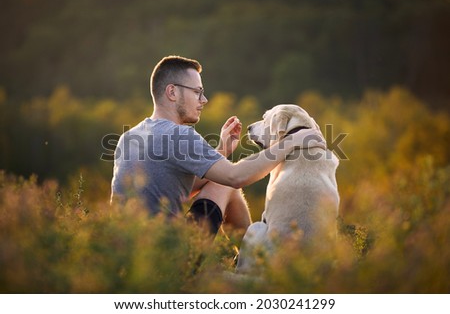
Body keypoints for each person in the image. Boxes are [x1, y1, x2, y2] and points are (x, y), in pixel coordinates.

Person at [111, 55, 325, 238]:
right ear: (172, 92)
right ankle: (254, 261)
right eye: (197, 92)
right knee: (227, 183)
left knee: (219, 180)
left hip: (128, 254)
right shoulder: (177, 134)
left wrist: (221, 151)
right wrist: (293, 140)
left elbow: (178, 185)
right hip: (169, 258)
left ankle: (249, 257)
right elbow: (236, 177)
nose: (204, 100)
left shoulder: (129, 137)